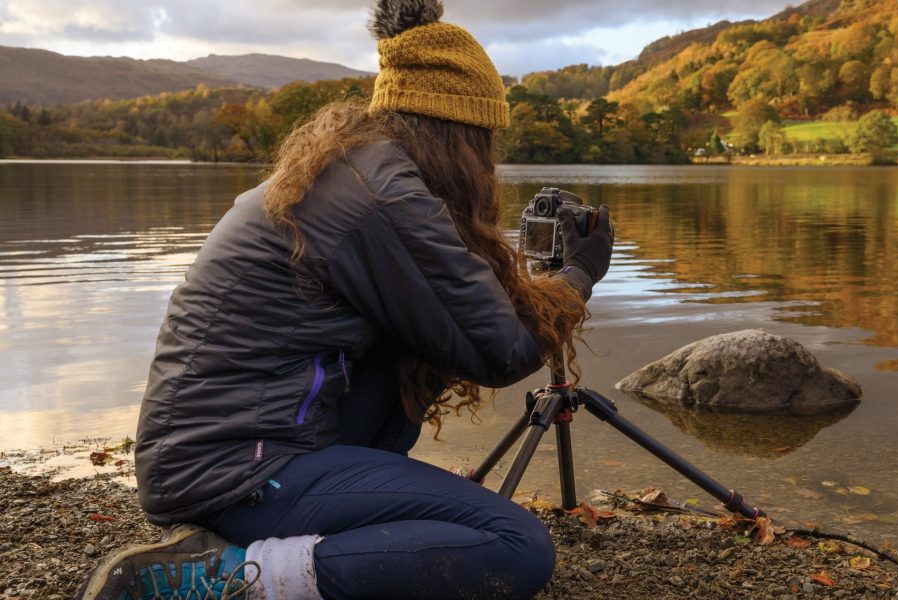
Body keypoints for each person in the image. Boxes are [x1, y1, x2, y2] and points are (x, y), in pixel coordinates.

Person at [75, 0, 614, 598]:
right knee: (515, 547)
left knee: (404, 362)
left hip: (218, 452)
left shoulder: (350, 171)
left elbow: (455, 322)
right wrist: (580, 275)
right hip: (234, 469)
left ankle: (278, 538)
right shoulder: (380, 198)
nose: (487, 160)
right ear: (455, 132)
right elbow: (502, 351)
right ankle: (227, 578)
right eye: (484, 138)